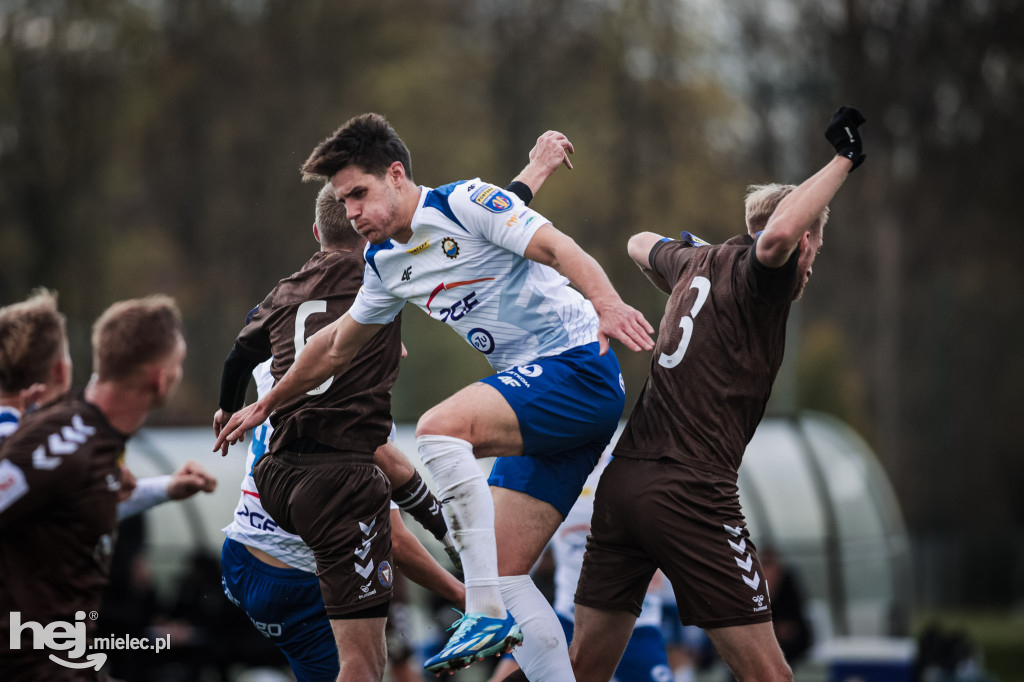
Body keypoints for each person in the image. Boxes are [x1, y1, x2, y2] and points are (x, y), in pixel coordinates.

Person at [215, 114, 654, 679]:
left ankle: (484, 614)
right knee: (502, 570)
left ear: (396, 175)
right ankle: (495, 607)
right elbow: (334, 346)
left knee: (439, 428)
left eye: (358, 193)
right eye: (342, 200)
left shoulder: (464, 199)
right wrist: (266, 403)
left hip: (578, 369)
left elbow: (555, 246)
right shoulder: (384, 262)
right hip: (546, 404)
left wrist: (607, 302)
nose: (350, 212)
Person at [567, 106, 867, 682]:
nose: (810, 267)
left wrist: (691, 262)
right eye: (815, 250)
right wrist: (845, 159)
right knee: (772, 676)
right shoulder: (765, 275)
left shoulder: (697, 260)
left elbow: (636, 242)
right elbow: (777, 236)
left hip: (624, 484)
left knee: (583, 669)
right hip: (691, 492)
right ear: (807, 242)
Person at [220, 358, 465, 682]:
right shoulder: (361, 411)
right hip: (297, 582)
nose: (402, 352)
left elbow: (247, 341)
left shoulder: (278, 360)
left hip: (240, 559)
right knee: (366, 667)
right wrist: (468, 595)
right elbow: (396, 541)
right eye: (388, 335)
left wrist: (227, 402)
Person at [0, 295, 187, 680]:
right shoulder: (65, 443)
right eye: (179, 364)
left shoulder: (96, 440)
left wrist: (163, 489)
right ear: (160, 378)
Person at [0, 290, 218, 517]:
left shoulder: (56, 440)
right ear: (61, 371)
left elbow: (75, 513)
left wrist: (165, 488)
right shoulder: (48, 446)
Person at [488, 452, 673, 682]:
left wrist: (658, 560)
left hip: (632, 622)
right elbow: (522, 556)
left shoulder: (628, 468)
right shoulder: (549, 473)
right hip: (566, 616)